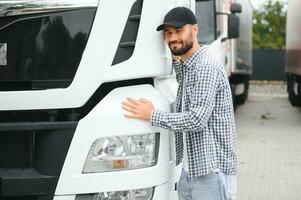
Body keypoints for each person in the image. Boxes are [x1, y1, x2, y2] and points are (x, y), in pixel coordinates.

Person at [121, 7, 237, 200]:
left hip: (210, 172)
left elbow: (197, 119)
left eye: (179, 31)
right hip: (191, 169)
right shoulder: (191, 64)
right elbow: (187, 86)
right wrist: (177, 62)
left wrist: (152, 115)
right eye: (168, 33)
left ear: (195, 29)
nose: (173, 38)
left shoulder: (205, 66)